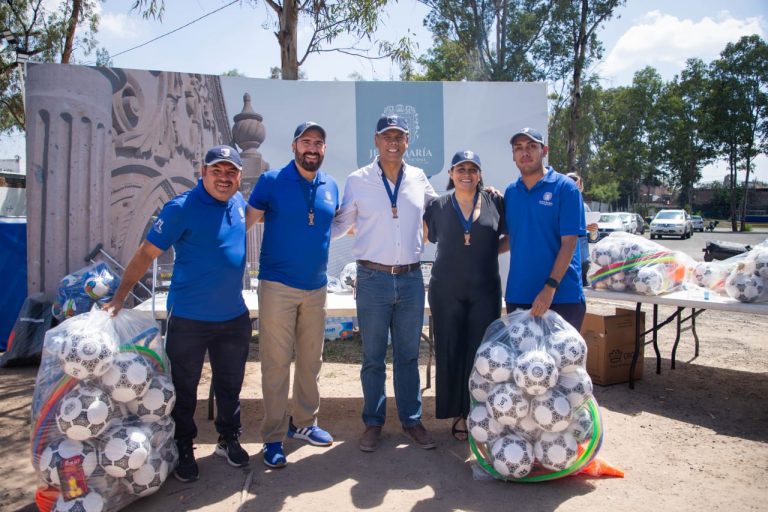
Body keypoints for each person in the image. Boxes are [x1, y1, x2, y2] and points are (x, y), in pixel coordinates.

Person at [105, 145, 251, 483]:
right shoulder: (179, 209)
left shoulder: (240, 205)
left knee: (230, 386)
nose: (224, 178)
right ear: (203, 172)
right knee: (184, 388)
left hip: (233, 318)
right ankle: (183, 445)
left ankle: (228, 438)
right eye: (218, 171)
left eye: (231, 172)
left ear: (239, 177)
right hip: (190, 318)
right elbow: (146, 253)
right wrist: (120, 296)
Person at [333, 114, 438, 452]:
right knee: (373, 357)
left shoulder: (420, 178)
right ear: (376, 141)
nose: (393, 141)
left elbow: (442, 212)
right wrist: (306, 231)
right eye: (386, 136)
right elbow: (340, 223)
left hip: (409, 279)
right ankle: (373, 423)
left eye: (399, 136)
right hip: (372, 279)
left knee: (408, 356)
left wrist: (480, 194)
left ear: (407, 141)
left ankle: (412, 421)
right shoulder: (358, 180)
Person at [246, 122, 339, 469]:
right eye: (306, 142)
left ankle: (304, 423)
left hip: (316, 287)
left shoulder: (332, 185)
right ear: (294, 146)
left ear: (324, 149)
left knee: (311, 361)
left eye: (318, 142)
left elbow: (338, 225)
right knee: (275, 363)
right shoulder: (271, 182)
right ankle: (272, 436)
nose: (312, 148)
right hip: (277, 286)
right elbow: (243, 222)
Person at [423, 150, 507, 441]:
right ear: (451, 174)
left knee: (481, 353)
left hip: (485, 289)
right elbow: (427, 236)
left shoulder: (495, 201)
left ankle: (480, 413)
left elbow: (508, 236)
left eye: (473, 169)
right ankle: (458, 413)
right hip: (446, 289)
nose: (467, 174)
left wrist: (485, 252)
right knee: (450, 349)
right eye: (461, 169)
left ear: (480, 174)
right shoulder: (437, 205)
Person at [504, 128, 587, 331]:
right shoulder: (511, 192)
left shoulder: (565, 188)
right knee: (523, 362)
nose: (525, 153)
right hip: (519, 295)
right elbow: (510, 238)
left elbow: (569, 243)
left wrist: (549, 288)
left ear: (544, 151)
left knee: (563, 362)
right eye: (519, 148)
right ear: (513, 155)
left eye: (532, 146)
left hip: (561, 296)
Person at [566, 172, 598, 287]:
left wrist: (593, 230)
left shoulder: (584, 207)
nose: (576, 188)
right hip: (565, 258)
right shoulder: (558, 205)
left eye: (578, 185)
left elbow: (593, 237)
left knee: (582, 290)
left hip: (583, 259)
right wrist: (579, 227)